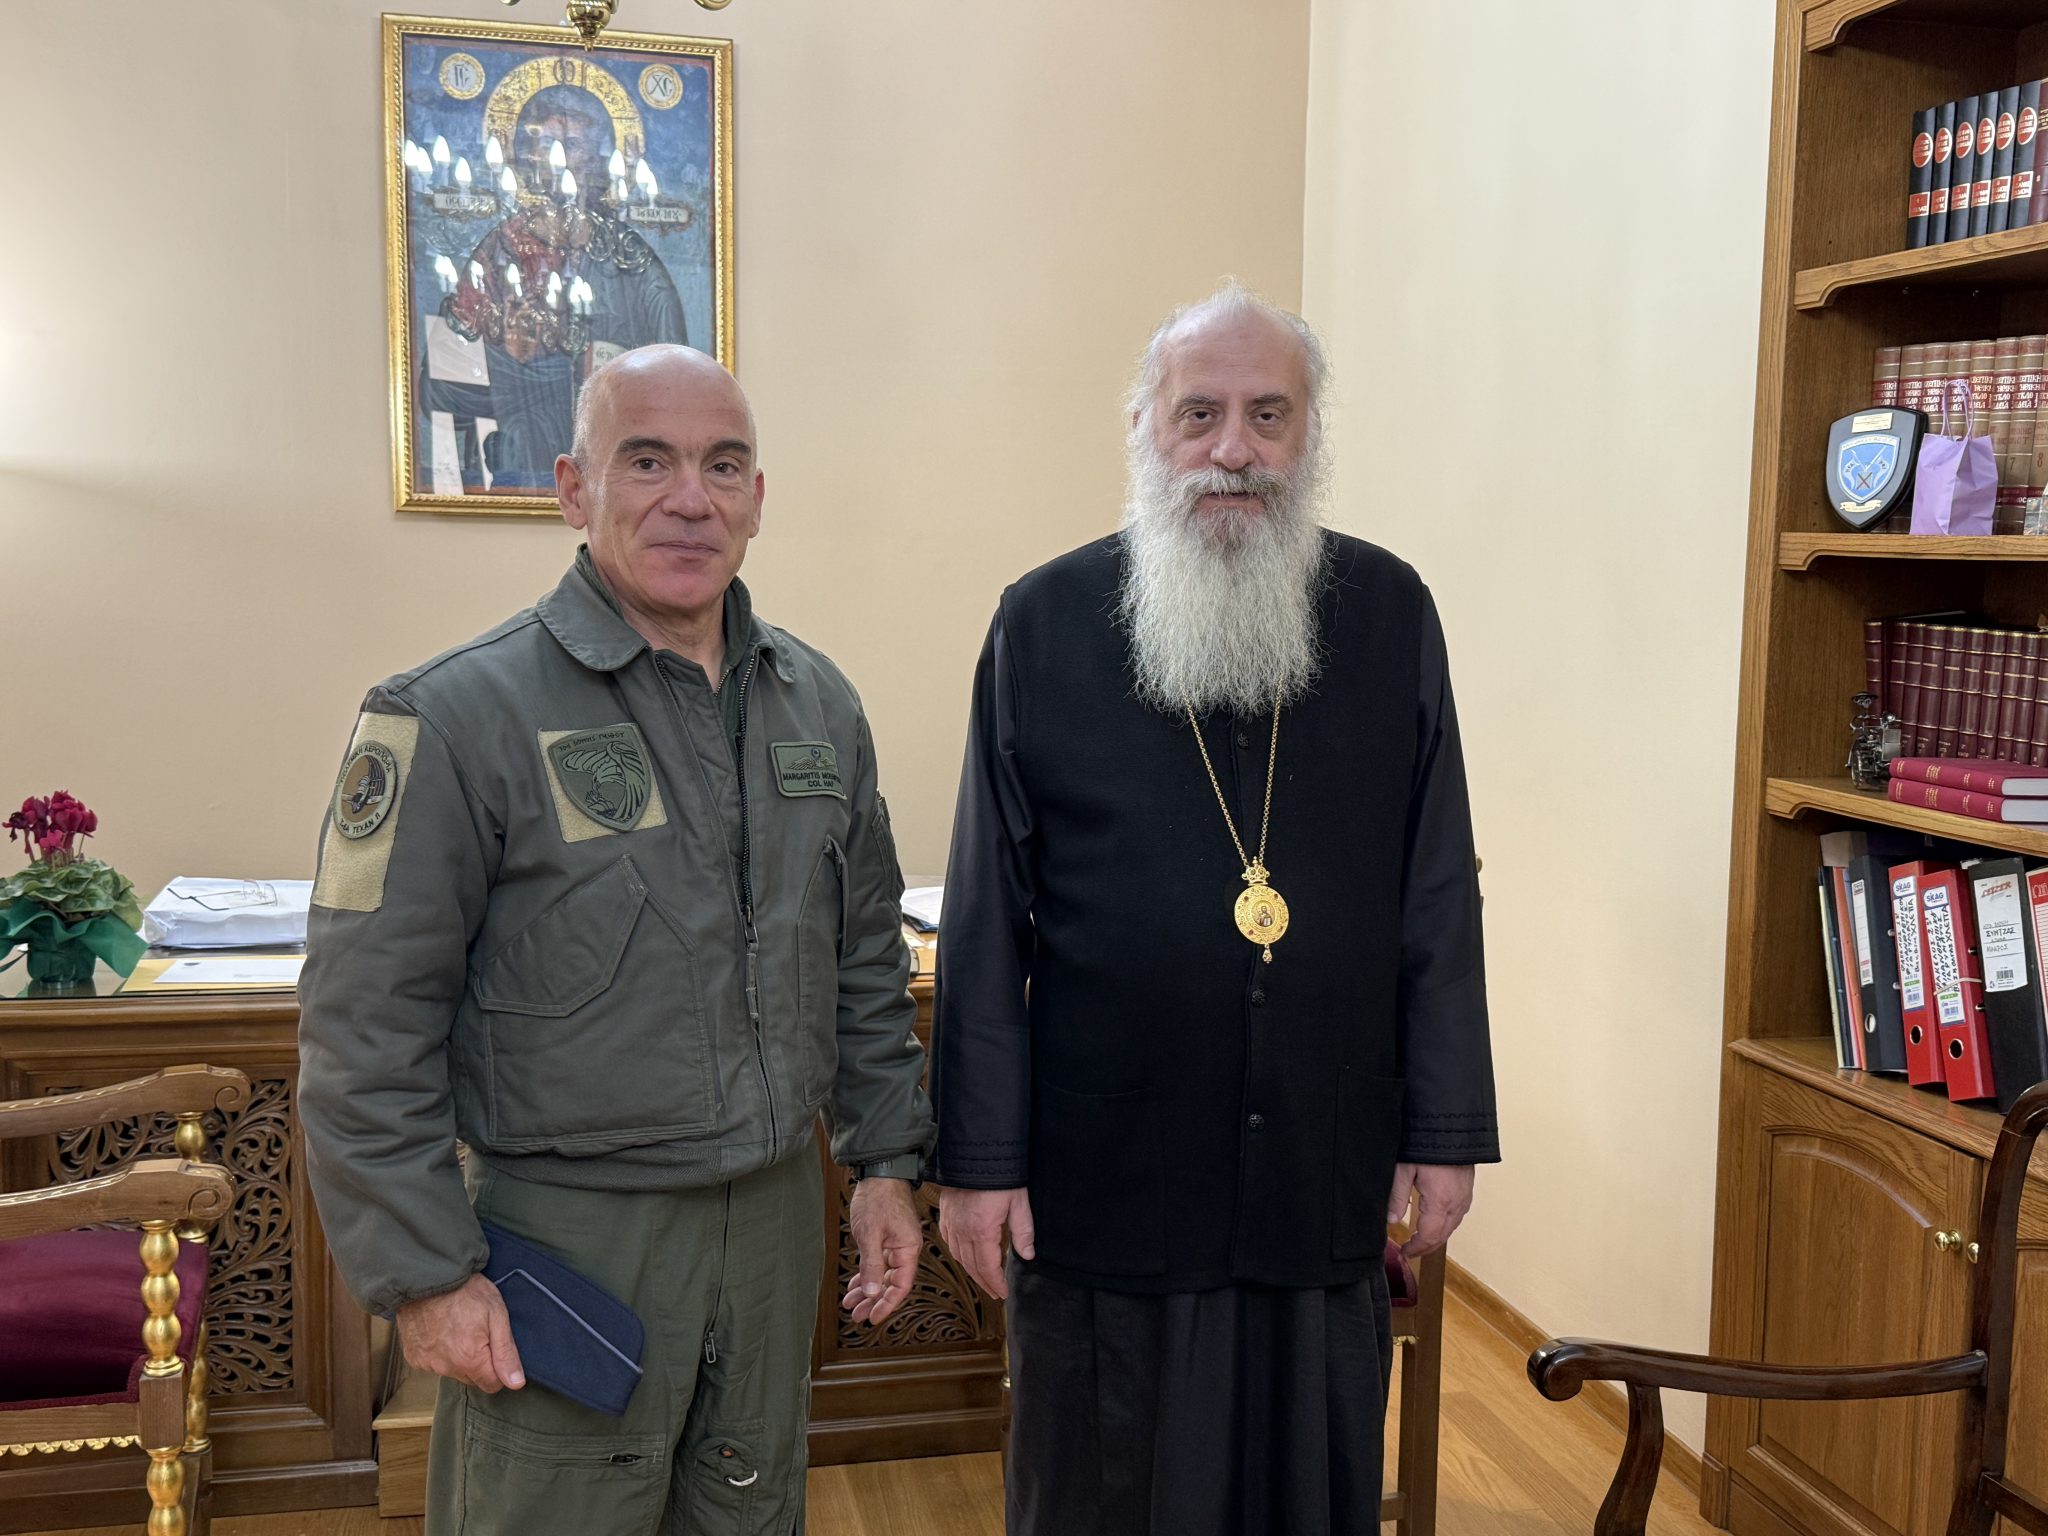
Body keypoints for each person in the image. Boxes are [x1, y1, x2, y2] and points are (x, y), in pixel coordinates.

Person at [299, 343, 932, 1535]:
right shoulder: (450, 714)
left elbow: (860, 961)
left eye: (722, 465)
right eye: (647, 461)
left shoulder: (818, 706)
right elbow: (362, 1029)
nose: (689, 497)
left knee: (748, 1514)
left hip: (773, 1218)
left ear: (756, 498)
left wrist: (884, 1164)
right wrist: (424, 1275)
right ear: (573, 489)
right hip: (569, 1229)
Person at [929, 283, 1499, 1536]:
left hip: (1316, 1158)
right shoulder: (1043, 621)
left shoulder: (1388, 614)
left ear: (1308, 433)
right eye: (1199, 414)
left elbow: (1435, 890)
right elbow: (983, 919)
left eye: (1266, 415)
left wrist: (1445, 1125)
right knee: (1100, 1491)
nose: (1232, 448)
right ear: (1144, 428)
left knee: (1307, 1488)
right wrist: (977, 1162)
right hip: (1105, 1173)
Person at [435, 84, 689, 490]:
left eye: (573, 144)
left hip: (624, 472)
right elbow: (443, 384)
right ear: (527, 155)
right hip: (521, 452)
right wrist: (506, 353)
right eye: (547, 143)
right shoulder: (498, 252)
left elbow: (677, 377)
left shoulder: (631, 258)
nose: (560, 159)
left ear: (598, 158)